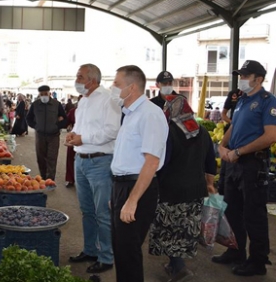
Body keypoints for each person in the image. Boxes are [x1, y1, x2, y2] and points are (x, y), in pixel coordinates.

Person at [214, 60, 276, 276]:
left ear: (258, 79)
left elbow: (271, 136)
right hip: (233, 164)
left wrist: (239, 152)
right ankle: (235, 251)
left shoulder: (268, 101)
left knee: (254, 214)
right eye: (240, 75)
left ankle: (257, 261)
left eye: (245, 76)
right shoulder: (241, 100)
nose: (241, 79)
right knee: (232, 210)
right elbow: (233, 126)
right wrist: (222, 145)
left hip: (252, 164)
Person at [109, 65, 168, 282]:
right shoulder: (130, 114)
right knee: (121, 249)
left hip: (137, 188)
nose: (112, 88)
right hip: (121, 187)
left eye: (116, 84)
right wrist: (115, 195)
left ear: (131, 87)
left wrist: (132, 200)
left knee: (129, 251)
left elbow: (151, 163)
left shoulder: (150, 114)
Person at [148, 95, 217, 281]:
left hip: (171, 190)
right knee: (184, 230)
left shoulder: (169, 131)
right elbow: (211, 162)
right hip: (195, 190)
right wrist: (210, 185)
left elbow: (162, 162)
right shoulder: (201, 130)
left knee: (169, 230)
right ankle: (174, 265)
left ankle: (179, 268)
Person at [66, 64, 121, 274]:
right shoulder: (84, 100)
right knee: (87, 211)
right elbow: (81, 127)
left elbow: (112, 131)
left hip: (100, 162)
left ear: (92, 79)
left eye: (80, 76)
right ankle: (90, 249)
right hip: (80, 160)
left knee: (103, 213)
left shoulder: (108, 99)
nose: (77, 80)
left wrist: (83, 138)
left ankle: (106, 257)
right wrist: (73, 135)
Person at [26, 85, 67, 180]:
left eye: (46, 94)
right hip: (40, 135)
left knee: (52, 158)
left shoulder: (57, 104)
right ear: (39, 94)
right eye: (42, 94)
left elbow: (65, 118)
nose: (44, 96)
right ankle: (43, 177)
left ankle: (50, 180)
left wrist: (57, 126)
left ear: (49, 93)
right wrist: (36, 126)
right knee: (40, 158)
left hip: (53, 136)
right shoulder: (35, 105)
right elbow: (28, 118)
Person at [64, 98, 78, 187]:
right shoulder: (74, 111)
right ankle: (70, 179)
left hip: (90, 141)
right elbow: (66, 122)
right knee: (70, 158)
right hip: (74, 138)